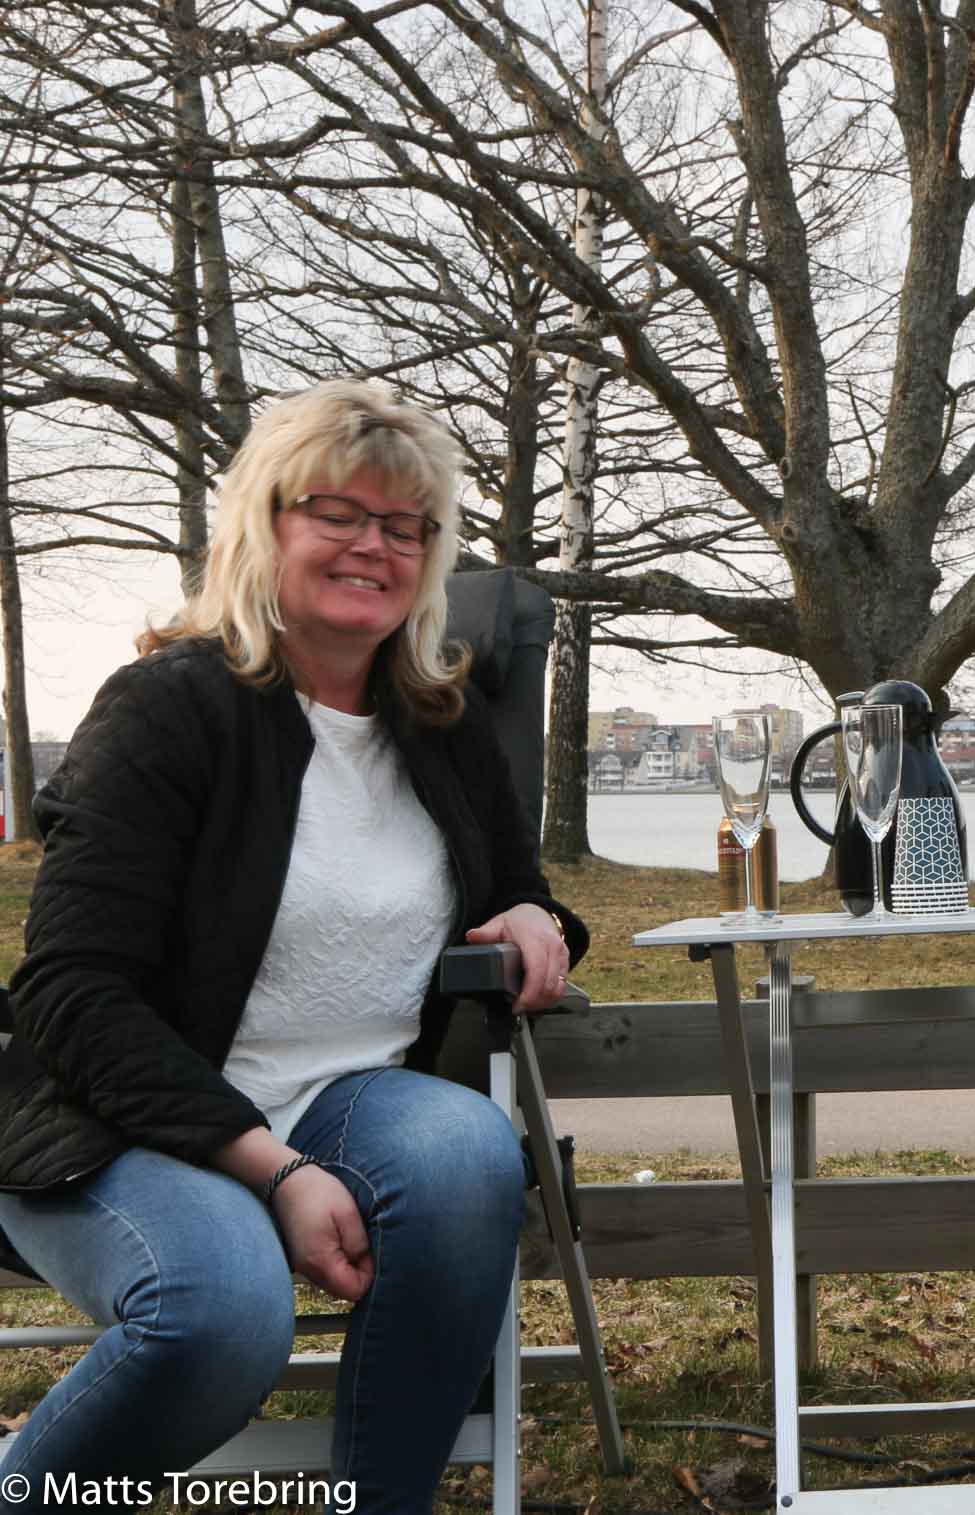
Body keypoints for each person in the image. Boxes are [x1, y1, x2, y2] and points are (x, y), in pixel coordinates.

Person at [0, 380, 584, 1513]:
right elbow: (70, 991)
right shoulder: (168, 708)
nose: (374, 545)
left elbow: (519, 890)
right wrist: (275, 1170)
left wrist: (538, 919)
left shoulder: (441, 722)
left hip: (345, 1100)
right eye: (338, 513)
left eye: (405, 525)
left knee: (468, 1154)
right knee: (220, 1316)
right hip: (122, 1122)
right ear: (264, 524)